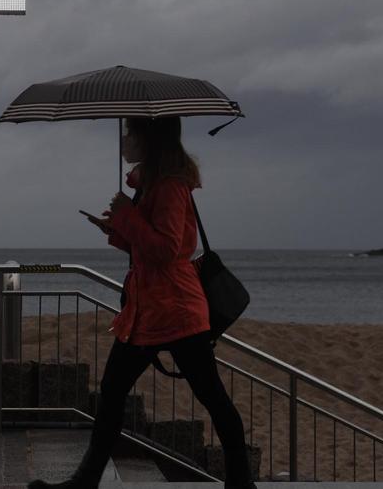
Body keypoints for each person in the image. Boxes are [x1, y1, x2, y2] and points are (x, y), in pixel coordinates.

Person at [28, 116, 256, 489]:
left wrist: (126, 216)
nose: (123, 139)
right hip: (149, 310)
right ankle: (85, 480)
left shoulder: (168, 186)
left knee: (212, 397)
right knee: (114, 394)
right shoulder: (153, 184)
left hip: (176, 309)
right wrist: (117, 228)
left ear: (149, 138)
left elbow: (166, 250)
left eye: (129, 132)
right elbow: (146, 246)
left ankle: (241, 483)